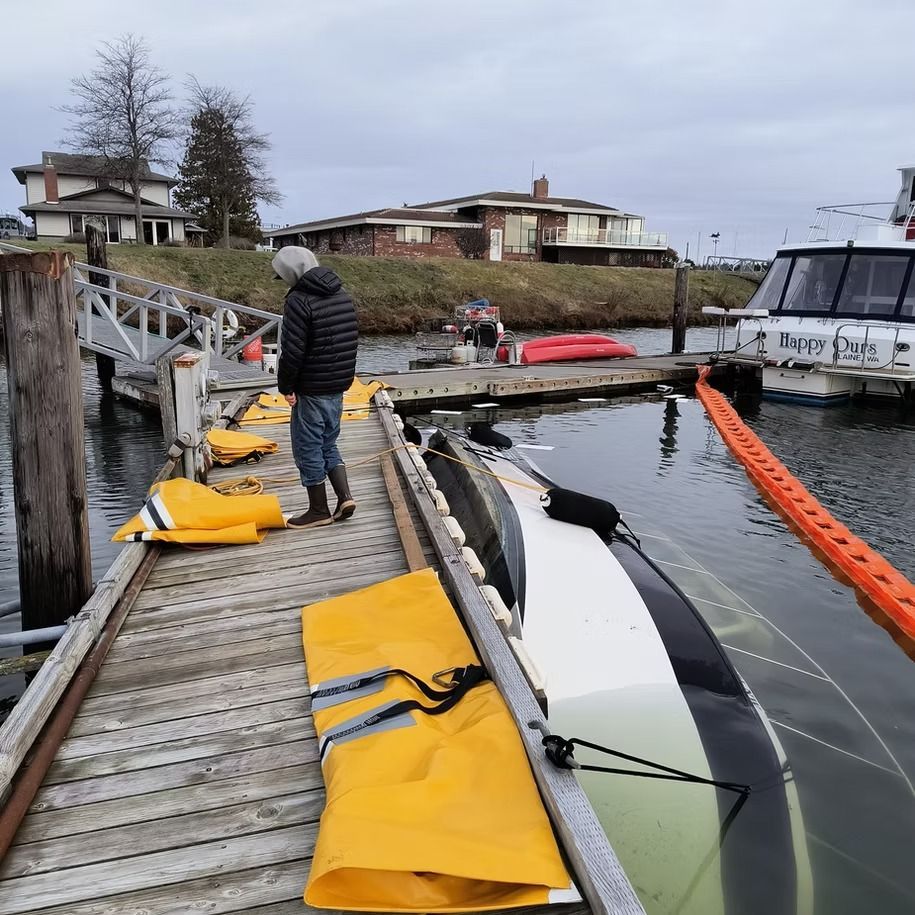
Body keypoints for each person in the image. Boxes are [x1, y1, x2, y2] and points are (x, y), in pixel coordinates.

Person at [273, 246, 358, 529]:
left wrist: (286, 387)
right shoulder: (341, 294)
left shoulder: (299, 300)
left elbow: (292, 352)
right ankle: (344, 497)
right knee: (328, 442)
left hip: (311, 388)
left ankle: (318, 510)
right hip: (337, 386)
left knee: (307, 447)